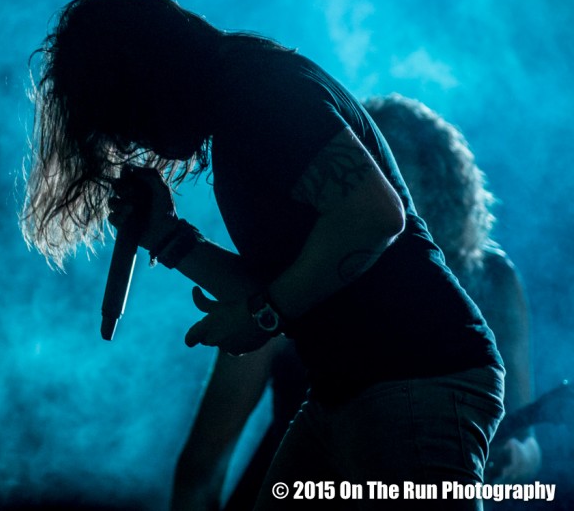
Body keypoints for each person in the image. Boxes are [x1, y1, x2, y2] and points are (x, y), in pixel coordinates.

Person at [20, 0, 504, 510]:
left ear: (145, 77)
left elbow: (373, 217)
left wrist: (266, 314)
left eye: (125, 117)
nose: (133, 140)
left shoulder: (261, 91)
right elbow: (276, 294)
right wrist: (166, 235)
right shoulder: (240, 105)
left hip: (416, 378)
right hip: (350, 388)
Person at [169, 93, 540, 510]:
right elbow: (204, 461)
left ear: (436, 186)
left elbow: (526, 438)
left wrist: (514, 458)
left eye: (384, 176)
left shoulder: (491, 278)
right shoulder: (300, 278)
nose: (366, 190)